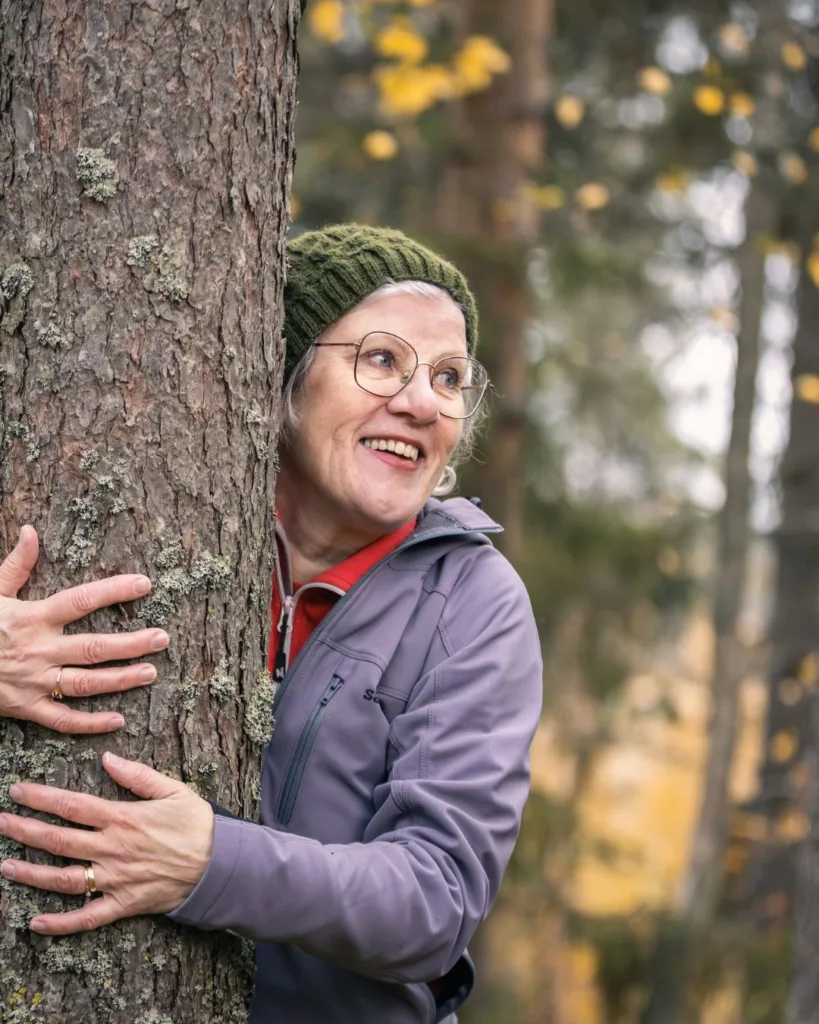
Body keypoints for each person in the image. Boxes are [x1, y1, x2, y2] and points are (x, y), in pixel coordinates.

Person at [0, 224, 542, 1023]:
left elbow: (436, 899)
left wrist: (210, 863)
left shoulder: (472, 602)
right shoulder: (134, 511)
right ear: (283, 376)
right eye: (382, 359)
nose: (423, 402)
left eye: (451, 377)